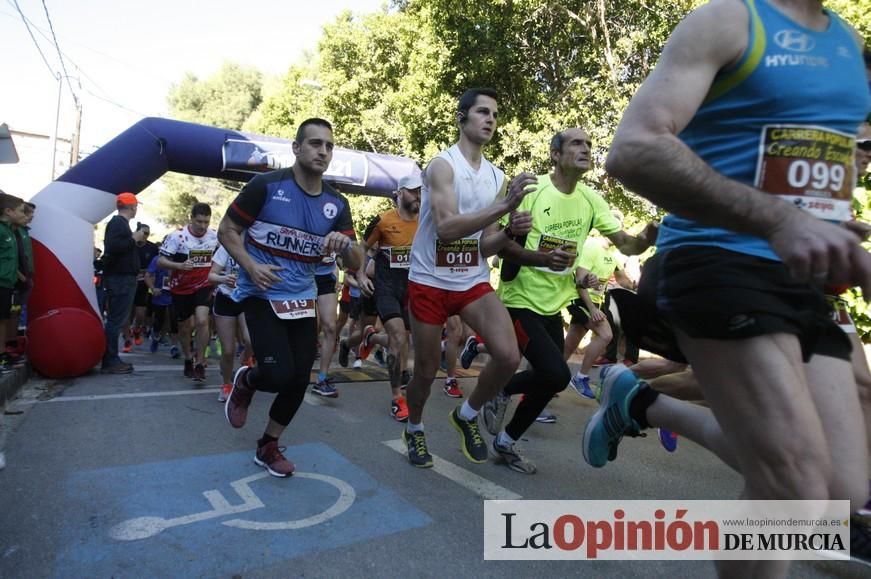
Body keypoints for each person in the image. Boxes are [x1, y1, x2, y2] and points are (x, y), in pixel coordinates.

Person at [588, 2, 870, 576]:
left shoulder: (846, 43)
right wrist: (776, 220)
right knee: (794, 476)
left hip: (799, 281)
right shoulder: (731, 21)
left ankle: (642, 402)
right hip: (717, 259)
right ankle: (640, 400)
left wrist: (831, 230)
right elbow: (632, 150)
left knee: (832, 491)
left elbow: (795, 170)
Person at [481, 127, 655, 473]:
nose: (587, 148)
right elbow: (500, 244)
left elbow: (627, 244)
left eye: (590, 143)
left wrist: (650, 234)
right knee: (555, 371)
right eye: (577, 143)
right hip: (518, 300)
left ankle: (505, 442)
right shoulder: (532, 191)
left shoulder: (591, 200)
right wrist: (543, 259)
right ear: (555, 155)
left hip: (553, 304)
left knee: (554, 379)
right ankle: (498, 391)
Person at [219, 118, 363, 478]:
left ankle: (268, 445)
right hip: (261, 291)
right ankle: (247, 382)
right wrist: (251, 266)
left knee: (300, 379)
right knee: (276, 373)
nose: (323, 151)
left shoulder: (336, 203)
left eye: (329, 146)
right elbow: (227, 230)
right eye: (315, 143)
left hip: (301, 298)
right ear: (297, 148)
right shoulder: (265, 186)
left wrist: (347, 246)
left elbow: (357, 261)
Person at [402, 87, 538, 468]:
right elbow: (446, 229)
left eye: (494, 114)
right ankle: (414, 427)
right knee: (427, 372)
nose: (490, 119)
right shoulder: (442, 166)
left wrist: (510, 231)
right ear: (462, 118)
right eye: (482, 112)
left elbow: (483, 246)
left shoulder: (496, 176)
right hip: (429, 281)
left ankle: (466, 416)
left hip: (471, 281)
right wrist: (506, 205)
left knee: (509, 355)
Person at [356, 174, 422, 421]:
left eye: (421, 191)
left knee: (404, 339)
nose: (418, 196)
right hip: (386, 289)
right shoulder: (383, 221)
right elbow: (362, 248)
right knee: (397, 338)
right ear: (400, 192)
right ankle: (397, 399)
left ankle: (371, 337)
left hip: (413, 289)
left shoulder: (426, 220)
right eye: (413, 191)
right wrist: (361, 275)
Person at [158, 203, 218, 382]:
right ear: (191, 218)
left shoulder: (214, 236)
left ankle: (200, 362)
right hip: (181, 287)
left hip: (204, 284)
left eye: (206, 222)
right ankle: (187, 358)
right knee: (185, 327)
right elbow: (161, 261)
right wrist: (179, 265)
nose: (202, 226)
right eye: (199, 221)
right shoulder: (177, 237)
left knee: (202, 320)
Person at [100, 192, 146, 374]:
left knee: (116, 319)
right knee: (116, 320)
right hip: (121, 278)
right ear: (133, 207)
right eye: (136, 206)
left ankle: (111, 359)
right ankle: (110, 360)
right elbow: (113, 247)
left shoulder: (118, 224)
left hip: (121, 277)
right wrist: (133, 238)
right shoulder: (118, 224)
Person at [209, 245, 253, 402]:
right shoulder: (227, 248)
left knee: (251, 339)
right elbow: (211, 276)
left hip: (246, 298)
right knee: (228, 350)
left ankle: (245, 358)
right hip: (225, 299)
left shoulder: (256, 246)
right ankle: (226, 384)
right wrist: (224, 278)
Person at [0, 193, 27, 370]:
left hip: (7, 282)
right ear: (8, 211)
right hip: (1, 281)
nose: (22, 214)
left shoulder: (10, 230)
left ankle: (3, 353)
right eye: (20, 211)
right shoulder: (2, 230)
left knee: (4, 318)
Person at [311, 257, 340, 397]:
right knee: (311, 325)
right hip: (300, 274)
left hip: (325, 275)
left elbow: (344, 254)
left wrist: (337, 270)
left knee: (330, 327)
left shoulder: (337, 233)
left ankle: (321, 380)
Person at [127, 223, 159, 350]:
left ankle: (137, 329)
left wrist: (149, 276)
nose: (145, 236)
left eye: (148, 234)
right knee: (128, 310)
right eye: (143, 233)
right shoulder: (130, 245)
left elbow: (156, 265)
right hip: (129, 280)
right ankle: (127, 338)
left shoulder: (152, 247)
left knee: (141, 312)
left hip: (144, 282)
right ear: (137, 233)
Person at [144, 252, 179, 357]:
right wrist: (153, 288)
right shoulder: (157, 259)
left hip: (176, 294)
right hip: (161, 293)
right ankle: (156, 337)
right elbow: (147, 276)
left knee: (174, 319)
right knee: (159, 320)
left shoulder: (182, 257)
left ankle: (174, 346)